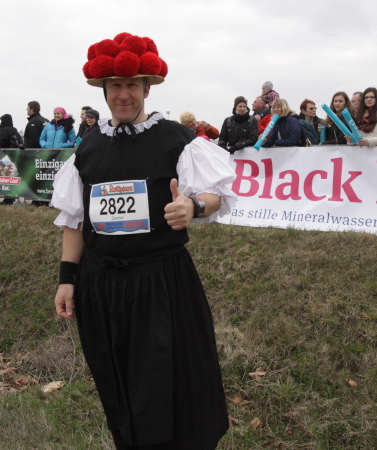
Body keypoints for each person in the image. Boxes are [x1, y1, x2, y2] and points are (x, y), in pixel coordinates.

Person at [51, 32, 235, 449]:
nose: (123, 94)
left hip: (160, 283)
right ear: (103, 90)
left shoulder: (175, 138)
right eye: (115, 85)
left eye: (132, 85)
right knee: (116, 379)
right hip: (101, 285)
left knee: (168, 381)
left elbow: (216, 194)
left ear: (147, 88)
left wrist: (193, 207)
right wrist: (66, 278)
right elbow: (75, 220)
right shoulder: (88, 147)